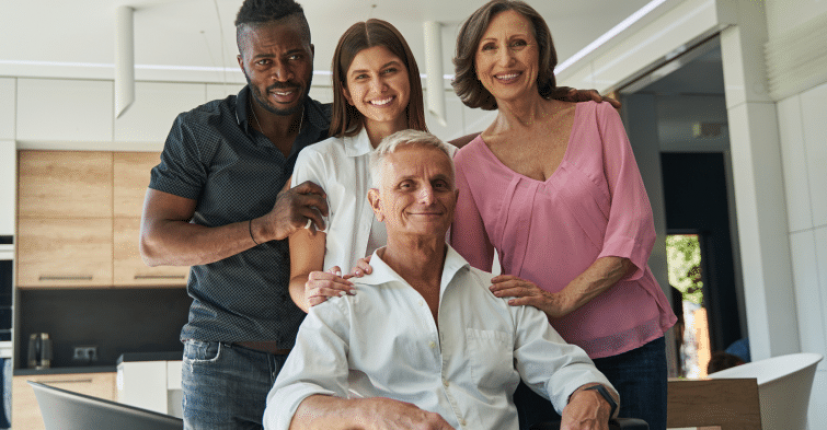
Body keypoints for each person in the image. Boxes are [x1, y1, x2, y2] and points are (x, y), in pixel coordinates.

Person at [264, 130, 619, 430]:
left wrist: (587, 394)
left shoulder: (498, 294)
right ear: (377, 204)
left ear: (455, 199)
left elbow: (565, 368)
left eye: (439, 184)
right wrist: (372, 412)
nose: (428, 197)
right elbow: (285, 407)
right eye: (407, 185)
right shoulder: (344, 304)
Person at [449, 1, 677, 430]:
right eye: (489, 48)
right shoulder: (467, 164)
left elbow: (634, 228)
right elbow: (473, 278)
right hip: (542, 359)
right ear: (474, 64)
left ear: (540, 52)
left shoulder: (597, 119)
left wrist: (562, 299)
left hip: (632, 342)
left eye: (519, 43)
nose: (506, 59)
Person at [139, 0, 332, 428]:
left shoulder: (339, 128)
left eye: (294, 56)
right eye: (264, 61)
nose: (282, 74)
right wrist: (265, 226)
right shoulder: (200, 131)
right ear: (242, 62)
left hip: (318, 357)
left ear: (312, 54)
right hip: (222, 359)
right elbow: (154, 243)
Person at [287, 18, 438, 311]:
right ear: (346, 93)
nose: (378, 87)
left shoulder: (449, 161)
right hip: (344, 329)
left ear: (410, 75)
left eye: (389, 71)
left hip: (423, 326)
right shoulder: (318, 161)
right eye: (361, 77)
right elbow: (300, 279)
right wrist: (319, 297)